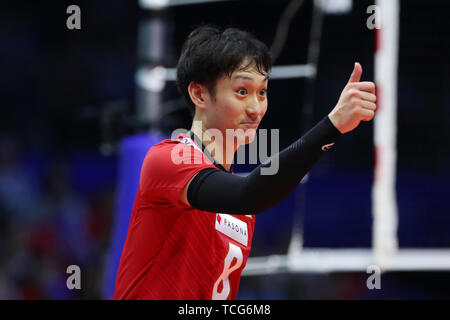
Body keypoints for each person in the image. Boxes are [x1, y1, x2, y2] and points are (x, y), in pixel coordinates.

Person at [113, 25, 376, 300]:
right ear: (200, 94)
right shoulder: (169, 158)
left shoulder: (241, 209)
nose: (255, 108)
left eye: (262, 92)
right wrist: (332, 125)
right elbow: (249, 193)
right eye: (241, 91)